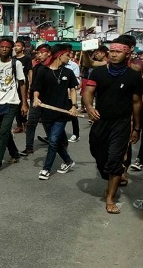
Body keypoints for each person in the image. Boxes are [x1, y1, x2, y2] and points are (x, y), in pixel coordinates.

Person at [83, 38, 142, 214]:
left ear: (127, 54)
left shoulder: (133, 75)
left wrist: (137, 128)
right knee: (98, 153)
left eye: (119, 51)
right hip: (100, 121)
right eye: (112, 51)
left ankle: (110, 198)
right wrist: (89, 106)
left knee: (114, 160)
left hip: (121, 123)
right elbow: (88, 92)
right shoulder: (99, 72)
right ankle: (110, 173)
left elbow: (137, 102)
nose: (114, 54)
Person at [31, 43, 78, 180]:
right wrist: (36, 98)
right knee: (54, 141)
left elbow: (73, 90)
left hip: (62, 112)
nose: (69, 58)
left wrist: (74, 106)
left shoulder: (68, 73)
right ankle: (68, 161)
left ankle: (46, 169)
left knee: (52, 141)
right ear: (59, 55)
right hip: (46, 111)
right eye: (67, 55)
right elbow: (36, 88)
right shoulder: (43, 71)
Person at [0, 39, 28, 173]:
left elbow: (22, 83)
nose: (4, 49)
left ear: (11, 50)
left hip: (12, 102)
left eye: (7, 47)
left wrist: (24, 103)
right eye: (2, 47)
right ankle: (15, 154)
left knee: (4, 131)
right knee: (5, 133)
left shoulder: (16, 64)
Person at [21, 43, 52, 156]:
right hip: (36, 100)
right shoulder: (37, 68)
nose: (39, 55)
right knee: (31, 123)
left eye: (41, 52)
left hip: (51, 101)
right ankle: (29, 147)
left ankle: (58, 142)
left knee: (50, 123)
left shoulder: (54, 67)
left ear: (48, 53)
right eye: (38, 53)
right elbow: (34, 84)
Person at [12, 40, 32, 134]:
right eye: (15, 46)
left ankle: (25, 123)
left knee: (23, 104)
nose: (16, 47)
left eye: (18, 46)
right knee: (15, 105)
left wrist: (31, 84)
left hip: (23, 85)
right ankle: (19, 125)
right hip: (13, 85)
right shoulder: (12, 59)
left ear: (23, 48)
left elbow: (29, 72)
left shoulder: (27, 59)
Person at [65, 46, 81, 142]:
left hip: (70, 94)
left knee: (73, 115)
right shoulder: (57, 64)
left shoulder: (74, 65)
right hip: (60, 94)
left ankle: (76, 134)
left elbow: (76, 81)